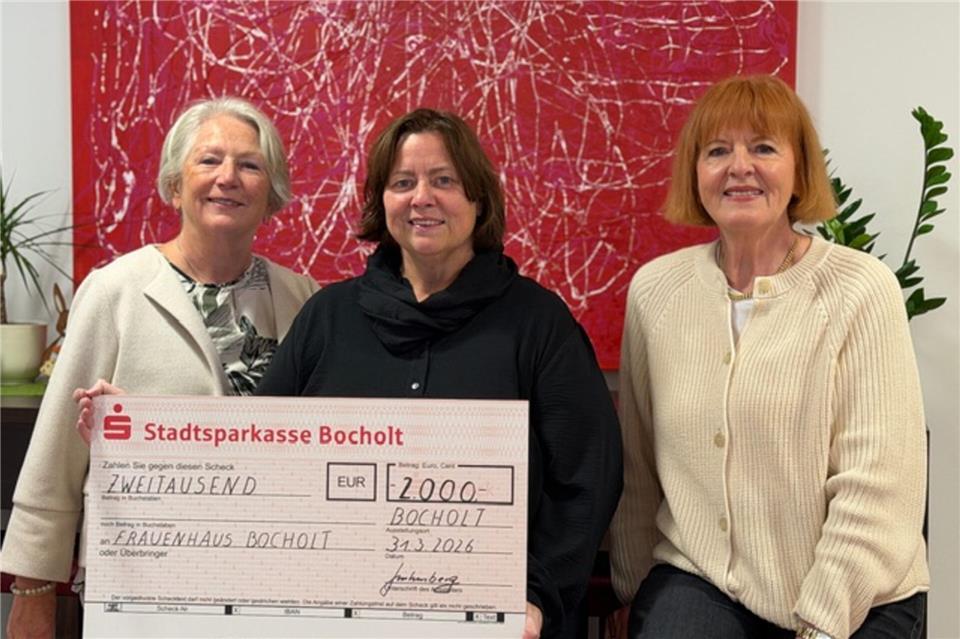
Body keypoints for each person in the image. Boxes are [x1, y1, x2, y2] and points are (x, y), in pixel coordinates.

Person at [255, 108, 623, 638]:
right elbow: (260, 454)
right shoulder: (326, 318)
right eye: (403, 182)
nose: (421, 198)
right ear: (382, 202)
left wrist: (536, 594)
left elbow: (587, 478)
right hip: (339, 615)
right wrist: (148, 438)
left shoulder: (538, 323)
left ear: (478, 198)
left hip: (497, 616)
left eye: (443, 180)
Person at [608, 74, 929, 639]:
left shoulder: (862, 289)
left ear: (799, 169)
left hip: (859, 596)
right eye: (717, 151)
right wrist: (630, 592)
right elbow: (638, 466)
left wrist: (822, 621)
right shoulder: (655, 293)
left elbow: (878, 485)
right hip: (702, 579)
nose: (739, 167)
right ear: (695, 173)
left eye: (763, 147)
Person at [1, 97, 319, 638]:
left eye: (249, 165)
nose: (228, 178)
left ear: (272, 194)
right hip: (141, 589)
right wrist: (31, 592)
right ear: (175, 185)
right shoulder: (114, 291)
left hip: (271, 585)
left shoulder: (305, 299)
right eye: (209, 160)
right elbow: (55, 456)